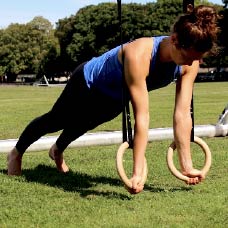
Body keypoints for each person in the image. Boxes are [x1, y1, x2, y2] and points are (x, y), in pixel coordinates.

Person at [7, 5, 219, 194]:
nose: (195, 62)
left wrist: (187, 165)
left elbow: (182, 114)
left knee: (85, 124)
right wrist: (137, 172)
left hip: (115, 96)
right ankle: (16, 153)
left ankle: (57, 150)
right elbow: (142, 117)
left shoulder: (191, 62)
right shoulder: (139, 54)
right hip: (88, 81)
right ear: (174, 40)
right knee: (57, 120)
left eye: (199, 57)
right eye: (191, 56)